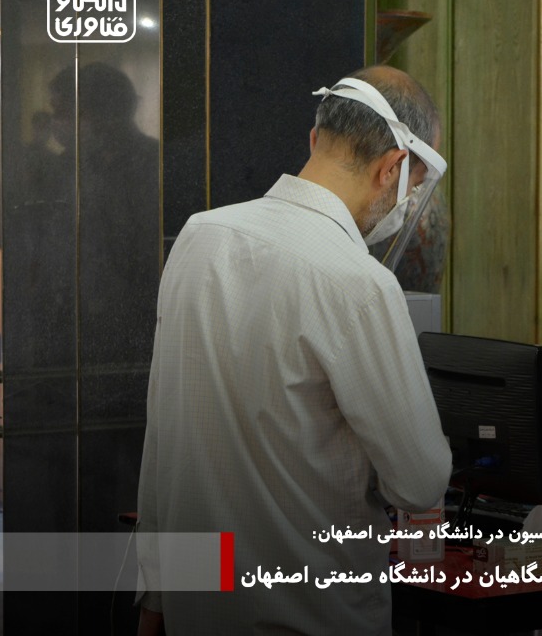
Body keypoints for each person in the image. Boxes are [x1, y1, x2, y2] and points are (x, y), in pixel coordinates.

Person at [136, 65, 453, 636]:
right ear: (392, 169)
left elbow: (162, 438)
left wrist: (154, 600)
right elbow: (419, 482)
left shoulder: (197, 237)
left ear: (314, 138)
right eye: (410, 184)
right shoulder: (359, 284)